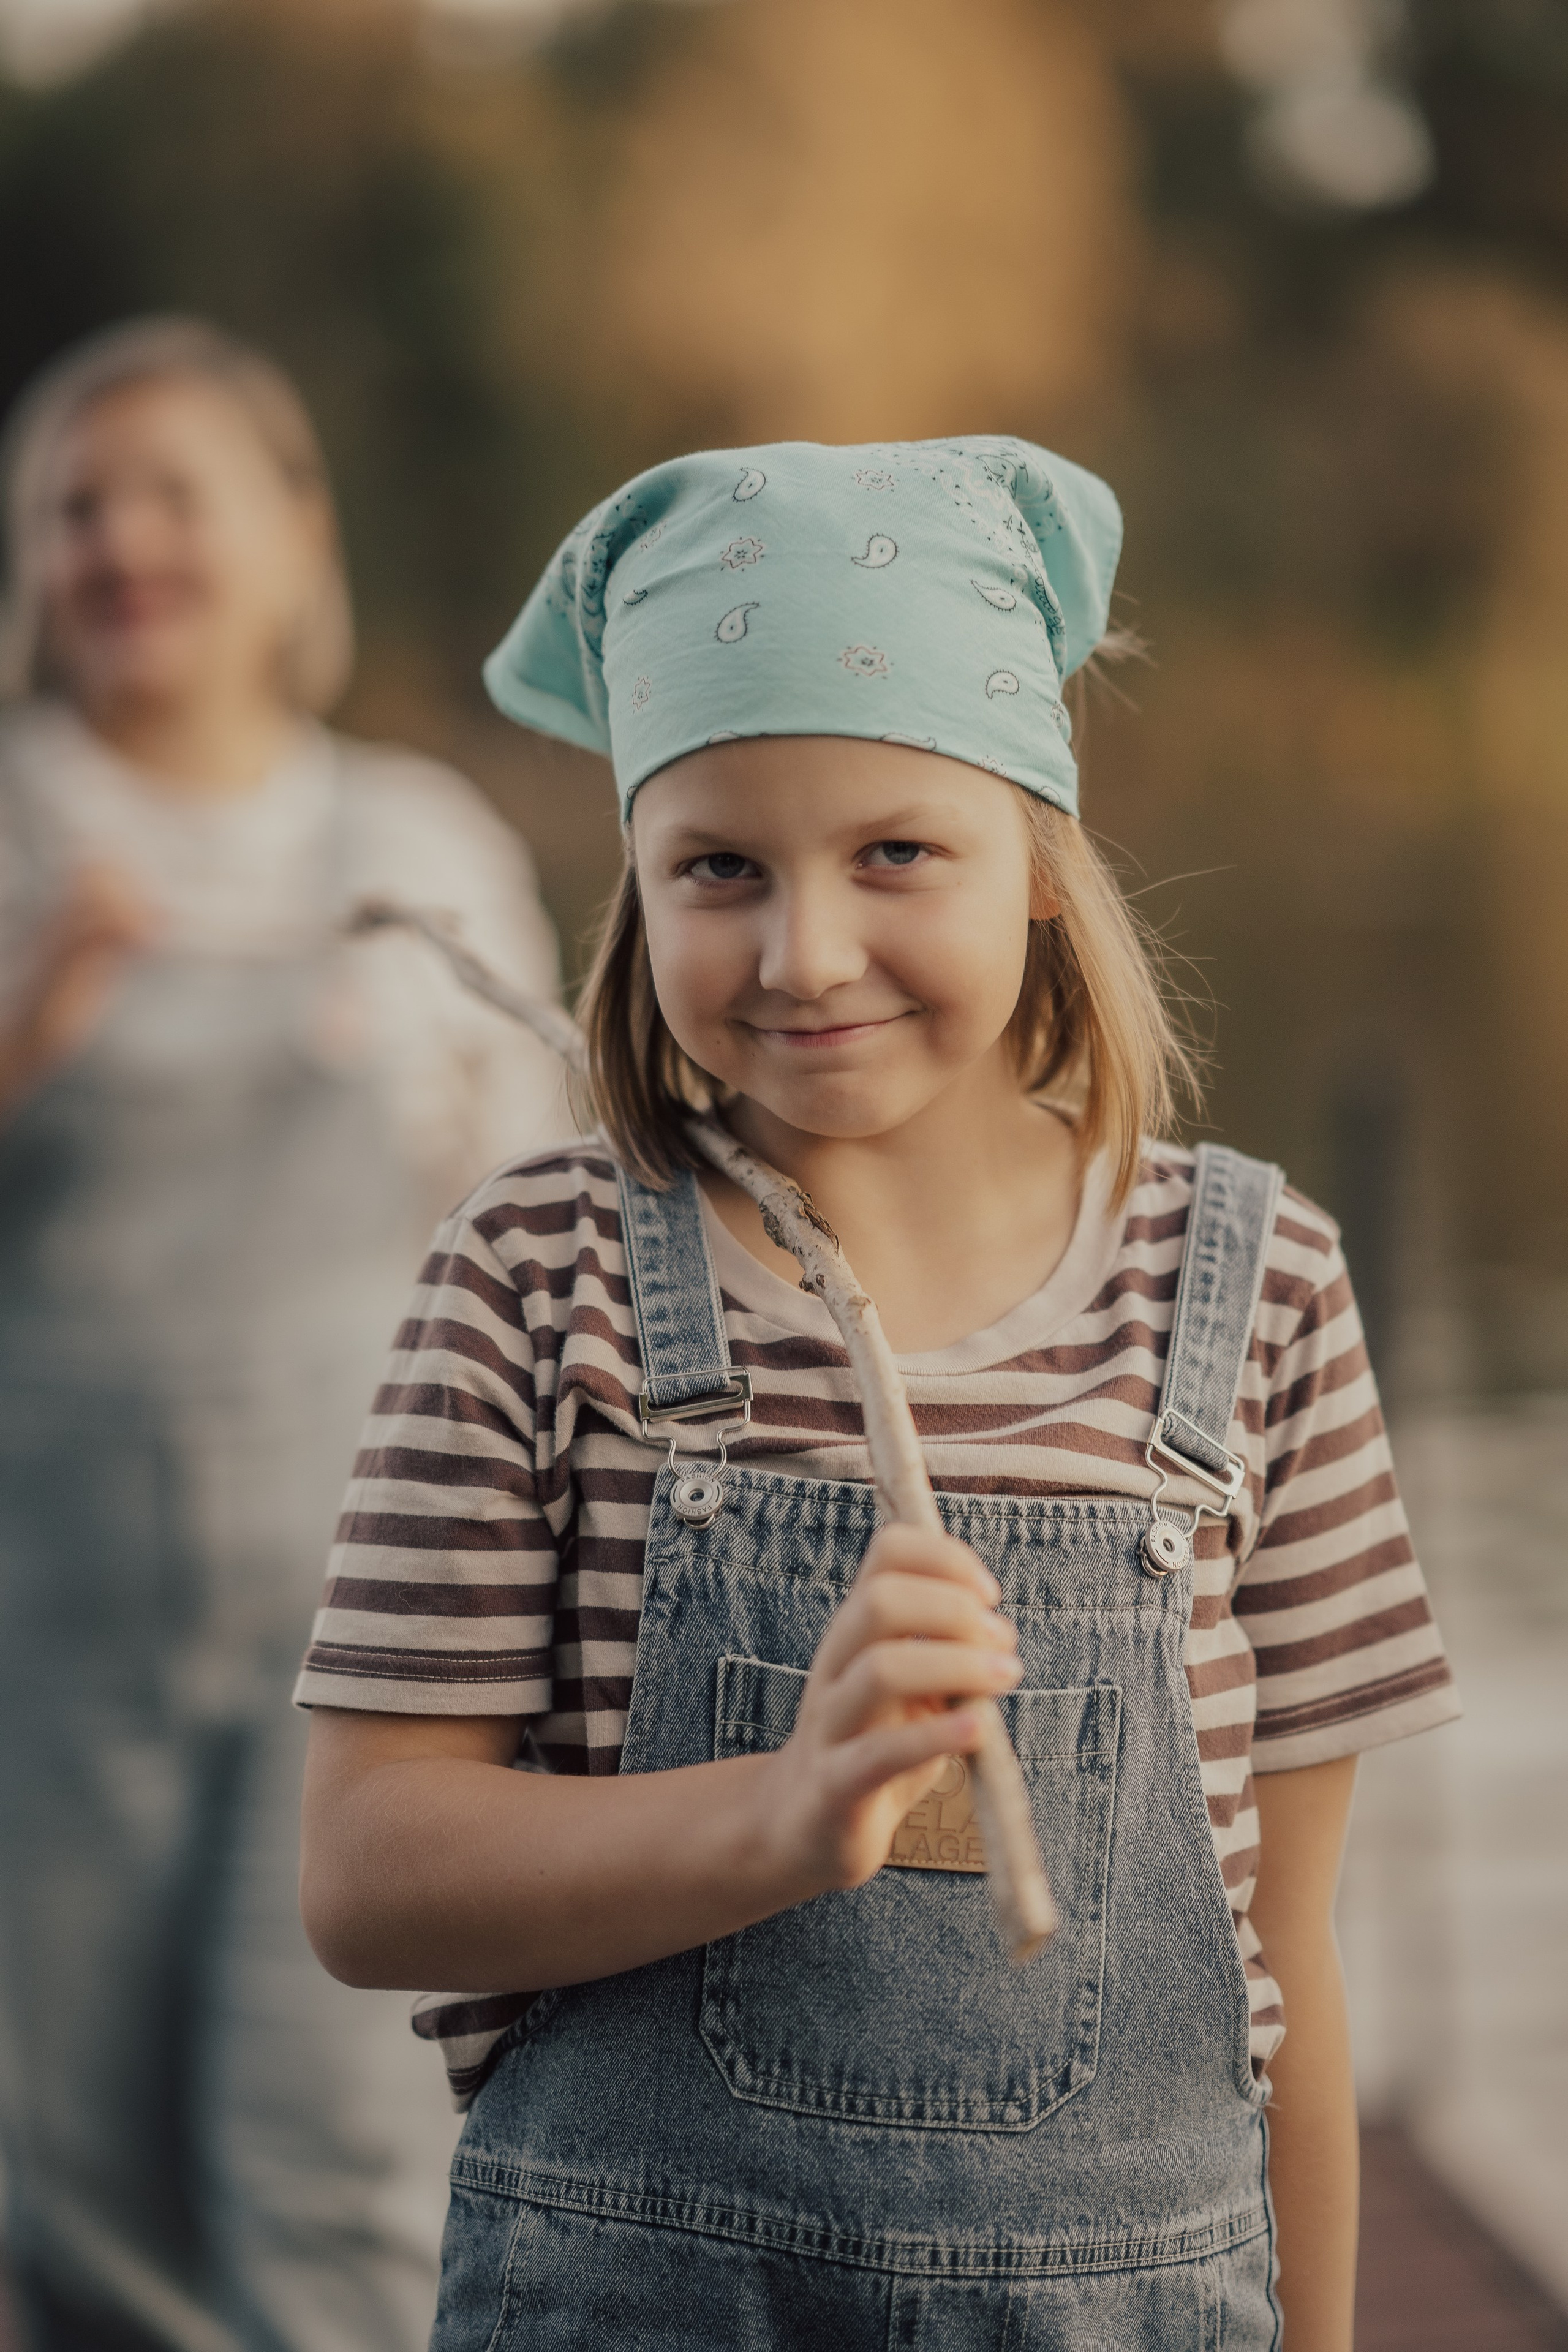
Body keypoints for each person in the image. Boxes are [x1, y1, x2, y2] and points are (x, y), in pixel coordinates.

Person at [296, 437, 1460, 2351]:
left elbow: (1287, 1970)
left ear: (1038, 863)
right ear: (639, 885)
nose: (804, 953)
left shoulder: (1260, 1296)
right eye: (720, 867)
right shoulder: (531, 1276)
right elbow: (365, 1875)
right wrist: (779, 1821)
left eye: (897, 852)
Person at [0, 318, 570, 2352]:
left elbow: (542, 1236)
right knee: (79, 2188)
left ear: (289, 536)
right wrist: (34, 1020)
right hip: (50, 1637)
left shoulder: (413, 846)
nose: (122, 543)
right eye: (78, 507)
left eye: (172, 495)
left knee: (336, 2163)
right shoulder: (14, 831)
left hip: (368, 1633)